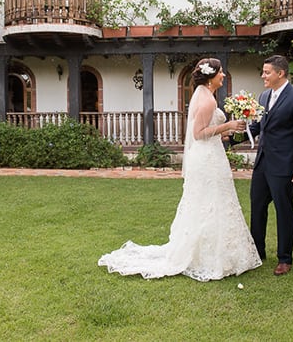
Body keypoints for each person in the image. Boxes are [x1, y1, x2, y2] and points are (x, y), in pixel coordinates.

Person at [98, 58, 262, 281]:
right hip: (207, 160)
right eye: (221, 72)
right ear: (211, 75)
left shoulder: (203, 94)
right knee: (211, 202)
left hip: (209, 155)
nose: (223, 75)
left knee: (209, 201)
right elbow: (198, 133)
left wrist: (224, 133)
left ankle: (214, 252)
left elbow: (206, 132)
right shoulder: (208, 101)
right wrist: (229, 125)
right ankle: (208, 257)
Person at [248, 54, 293, 276]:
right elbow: (259, 127)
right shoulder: (264, 96)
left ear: (280, 73)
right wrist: (234, 135)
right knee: (257, 208)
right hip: (262, 165)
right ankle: (257, 252)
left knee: (284, 211)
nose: (263, 76)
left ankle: (285, 258)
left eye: (267, 72)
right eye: (263, 72)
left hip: (285, 167)